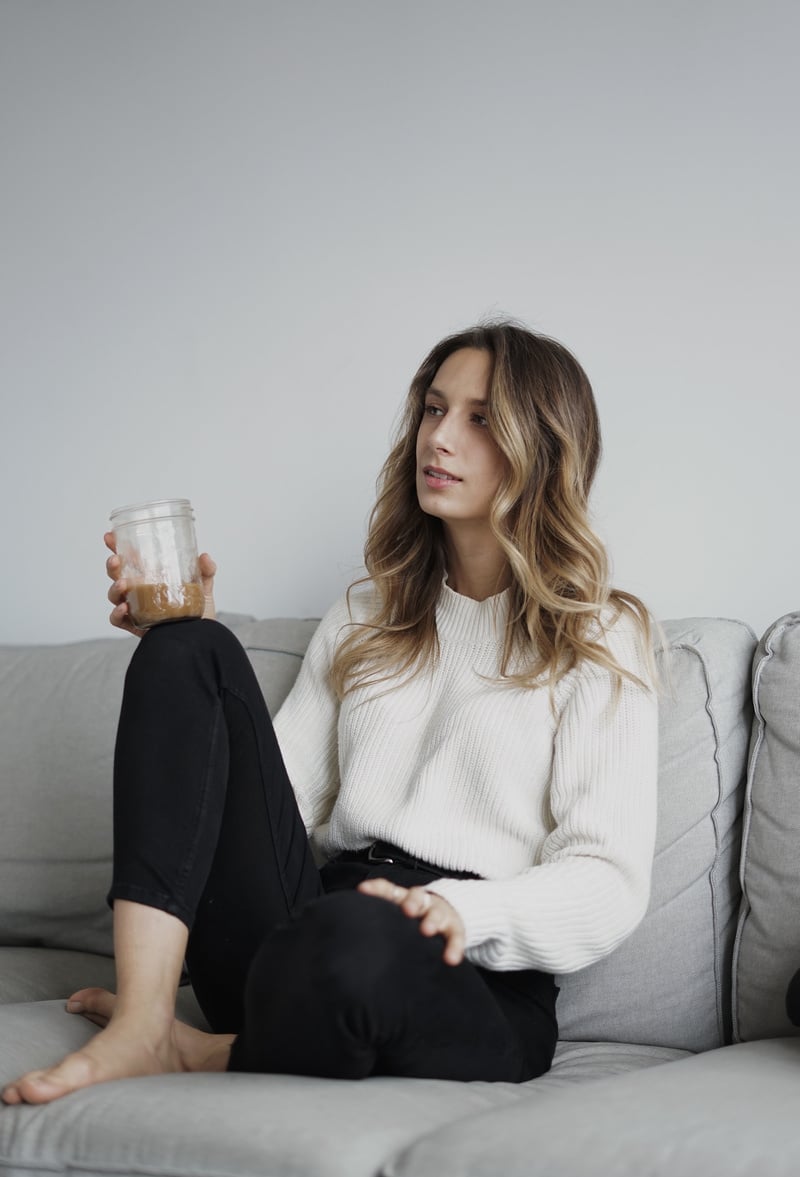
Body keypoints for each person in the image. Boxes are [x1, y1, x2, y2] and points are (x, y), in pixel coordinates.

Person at [2, 320, 658, 1105]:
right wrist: (192, 673)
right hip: (303, 939)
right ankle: (143, 1023)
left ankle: (213, 1053)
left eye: (479, 418)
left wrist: (452, 909)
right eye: (432, 408)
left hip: (462, 975)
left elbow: (607, 882)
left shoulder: (598, 634)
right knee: (188, 648)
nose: (439, 438)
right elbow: (262, 804)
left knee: (361, 937)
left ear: (542, 447)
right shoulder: (364, 614)